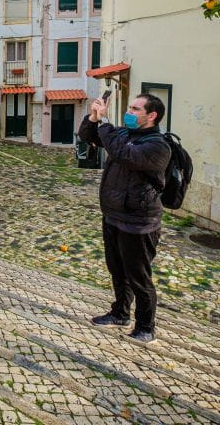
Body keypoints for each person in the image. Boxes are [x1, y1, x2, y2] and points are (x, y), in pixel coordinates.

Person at [77, 93, 171, 343]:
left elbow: (121, 154)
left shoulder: (158, 146)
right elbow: (87, 136)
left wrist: (105, 122)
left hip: (139, 223)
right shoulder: (124, 134)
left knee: (139, 277)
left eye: (135, 109)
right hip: (114, 216)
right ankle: (120, 313)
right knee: (117, 270)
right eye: (130, 107)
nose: (129, 112)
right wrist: (93, 118)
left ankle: (146, 327)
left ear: (152, 115)